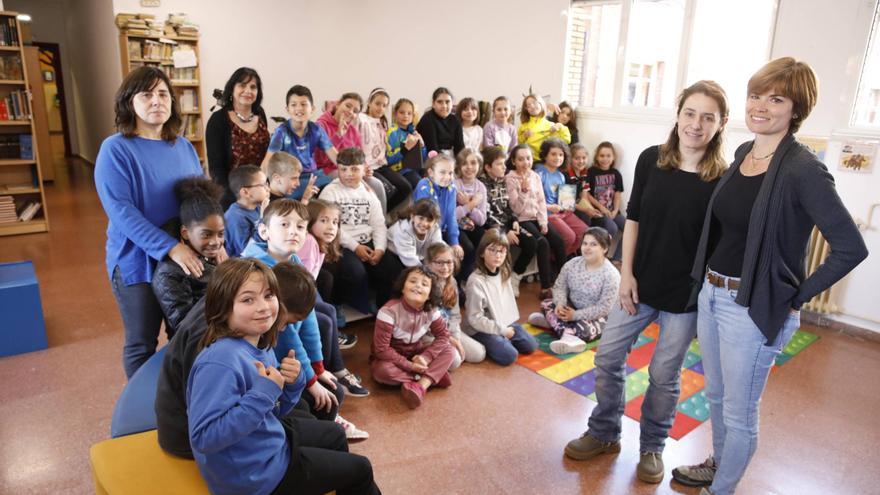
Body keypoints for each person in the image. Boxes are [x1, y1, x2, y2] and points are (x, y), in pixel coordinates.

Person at [673, 58, 868, 495]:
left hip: (752, 308)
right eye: (756, 95)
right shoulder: (744, 153)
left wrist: (795, 297)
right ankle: (717, 466)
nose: (761, 106)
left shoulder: (803, 169)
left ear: (795, 110)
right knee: (718, 399)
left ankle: (720, 489)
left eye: (776, 98)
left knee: (740, 413)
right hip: (713, 294)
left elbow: (851, 247)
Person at [563, 80, 730, 485]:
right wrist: (626, 274)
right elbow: (633, 219)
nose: (696, 124)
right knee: (607, 358)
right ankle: (604, 432)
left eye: (708, 117)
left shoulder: (722, 177)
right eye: (690, 113)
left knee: (663, 375)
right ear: (678, 114)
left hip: (685, 296)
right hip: (638, 283)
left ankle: (652, 445)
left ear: (721, 124)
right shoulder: (651, 159)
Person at [186, 258, 381, 495]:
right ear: (223, 307)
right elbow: (204, 438)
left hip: (266, 443)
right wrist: (262, 394)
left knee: (335, 434)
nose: (263, 307)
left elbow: (275, 410)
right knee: (360, 469)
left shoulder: (261, 341)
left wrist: (293, 384)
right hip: (253, 477)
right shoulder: (220, 362)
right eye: (248, 299)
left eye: (268, 296)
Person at [95, 66, 204, 378]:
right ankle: (141, 419)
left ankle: (180, 402)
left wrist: (214, 243)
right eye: (147, 94)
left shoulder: (183, 146)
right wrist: (170, 247)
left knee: (184, 334)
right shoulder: (115, 149)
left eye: (163, 94)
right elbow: (121, 211)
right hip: (136, 261)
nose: (157, 101)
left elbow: (199, 201)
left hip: (184, 257)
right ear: (130, 102)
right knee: (141, 342)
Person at [318, 148, 400, 311]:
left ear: (364, 169)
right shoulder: (330, 192)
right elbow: (330, 229)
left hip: (368, 241)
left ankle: (383, 309)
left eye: (355, 169)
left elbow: (378, 224)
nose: (348, 174)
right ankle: (349, 303)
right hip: (342, 243)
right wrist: (355, 247)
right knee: (356, 272)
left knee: (393, 269)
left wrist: (380, 249)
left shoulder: (369, 193)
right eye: (343, 169)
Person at [370, 266, 455, 409]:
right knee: (382, 372)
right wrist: (410, 366)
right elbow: (381, 350)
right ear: (403, 287)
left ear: (429, 295)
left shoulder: (431, 311)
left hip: (416, 353)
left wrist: (425, 358)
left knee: (449, 350)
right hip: (391, 357)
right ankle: (431, 378)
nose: (417, 285)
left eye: (424, 284)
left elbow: (443, 335)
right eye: (413, 281)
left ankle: (421, 386)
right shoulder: (388, 311)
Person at [152, 177, 225, 338]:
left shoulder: (213, 257)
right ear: (185, 233)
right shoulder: (170, 273)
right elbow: (185, 327)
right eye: (206, 235)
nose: (216, 242)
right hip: (201, 346)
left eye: (221, 234)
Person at [528, 228, 619, 354]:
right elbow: (560, 286)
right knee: (547, 304)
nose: (587, 248)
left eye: (593, 244)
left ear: (604, 249)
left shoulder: (611, 275)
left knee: (587, 329)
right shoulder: (572, 264)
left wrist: (575, 315)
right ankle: (565, 330)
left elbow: (604, 309)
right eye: (585, 243)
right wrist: (560, 304)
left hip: (597, 317)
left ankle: (560, 328)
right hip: (572, 308)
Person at [480, 146, 554, 296]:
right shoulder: (483, 185)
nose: (504, 167)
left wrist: (513, 220)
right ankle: (502, 282)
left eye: (504, 163)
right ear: (488, 167)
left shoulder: (501, 181)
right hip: (494, 227)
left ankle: (516, 276)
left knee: (532, 243)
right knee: (533, 243)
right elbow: (487, 214)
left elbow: (508, 207)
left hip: (509, 224)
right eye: (500, 164)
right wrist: (505, 232)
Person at [462, 229, 538, 365]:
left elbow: (504, 302)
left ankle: (501, 340)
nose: (498, 256)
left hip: (502, 321)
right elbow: (475, 318)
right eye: (492, 250)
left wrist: (505, 327)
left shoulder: (504, 271)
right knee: (509, 355)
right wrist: (501, 330)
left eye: (502, 251)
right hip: (480, 327)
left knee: (531, 345)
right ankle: (488, 342)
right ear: (481, 253)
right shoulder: (475, 281)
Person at [206, 67, 270, 208]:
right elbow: (216, 169)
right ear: (232, 88)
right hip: (233, 195)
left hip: (262, 191)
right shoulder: (218, 120)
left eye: (253, 87)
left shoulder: (260, 113)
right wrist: (236, 199)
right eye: (242, 85)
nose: (248, 91)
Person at [506, 144, 564, 298]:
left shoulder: (535, 176)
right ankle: (545, 288)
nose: (525, 162)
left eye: (528, 158)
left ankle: (563, 282)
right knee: (542, 243)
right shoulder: (510, 178)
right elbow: (516, 209)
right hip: (521, 220)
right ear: (513, 161)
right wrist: (524, 190)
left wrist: (543, 222)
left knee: (558, 241)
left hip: (537, 218)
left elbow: (541, 201)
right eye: (520, 159)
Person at [315, 92, 389, 213]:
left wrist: (365, 167)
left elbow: (359, 155)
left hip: (353, 170)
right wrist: (338, 135)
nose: (350, 112)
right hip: (328, 170)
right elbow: (321, 159)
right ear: (338, 104)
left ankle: (381, 224)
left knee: (377, 185)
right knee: (366, 190)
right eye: (348, 106)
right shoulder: (320, 125)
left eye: (355, 111)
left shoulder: (353, 130)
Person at [263, 85, 336, 199]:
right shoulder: (281, 132)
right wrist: (262, 186)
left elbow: (335, 156)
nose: (299, 108)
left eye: (303, 104)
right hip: (291, 178)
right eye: (294, 105)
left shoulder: (316, 129)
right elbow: (267, 162)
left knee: (333, 191)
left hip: (314, 176)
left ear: (312, 108)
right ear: (287, 109)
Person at [424, 242, 486, 367]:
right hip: (428, 335)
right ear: (429, 264)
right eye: (439, 262)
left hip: (448, 330)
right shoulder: (425, 284)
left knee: (479, 354)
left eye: (449, 262)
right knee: (455, 361)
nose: (445, 267)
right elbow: (426, 325)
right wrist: (449, 340)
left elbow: (455, 315)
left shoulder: (452, 282)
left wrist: (456, 337)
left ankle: (447, 351)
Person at [359, 88, 413, 211]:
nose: (381, 108)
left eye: (384, 105)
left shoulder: (382, 123)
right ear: (369, 102)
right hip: (368, 167)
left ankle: (383, 214)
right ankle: (378, 217)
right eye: (378, 104)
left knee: (406, 187)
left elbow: (385, 152)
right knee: (387, 190)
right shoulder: (361, 118)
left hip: (381, 165)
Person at [413, 153, 468, 271]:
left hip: (441, 229)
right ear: (431, 173)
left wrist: (454, 242)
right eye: (442, 172)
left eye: (450, 173)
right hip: (426, 232)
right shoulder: (424, 186)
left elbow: (451, 215)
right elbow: (425, 218)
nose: (447, 177)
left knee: (464, 249)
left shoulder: (452, 187)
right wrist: (444, 245)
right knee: (445, 257)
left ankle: (455, 285)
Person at [536, 138, 589, 258]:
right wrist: (551, 207)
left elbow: (566, 201)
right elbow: (533, 199)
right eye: (553, 154)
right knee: (570, 237)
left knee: (584, 233)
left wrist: (570, 205)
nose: (558, 158)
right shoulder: (539, 173)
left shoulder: (561, 175)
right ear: (545, 155)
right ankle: (553, 259)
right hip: (548, 214)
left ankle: (560, 258)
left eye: (561, 155)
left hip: (562, 212)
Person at [585, 141, 626, 260]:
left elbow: (617, 194)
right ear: (597, 157)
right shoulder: (591, 172)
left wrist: (616, 210)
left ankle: (616, 258)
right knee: (612, 227)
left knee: (631, 229)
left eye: (608, 156)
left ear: (613, 158)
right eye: (602, 156)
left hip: (612, 211)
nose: (605, 159)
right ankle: (601, 257)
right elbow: (587, 195)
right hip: (598, 212)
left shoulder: (616, 173)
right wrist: (602, 208)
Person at [454, 148, 488, 281]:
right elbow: (452, 216)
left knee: (485, 242)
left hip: (473, 225)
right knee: (468, 247)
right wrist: (471, 204)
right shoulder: (454, 185)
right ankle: (462, 280)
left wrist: (468, 204)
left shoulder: (481, 187)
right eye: (464, 163)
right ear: (459, 166)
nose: (469, 167)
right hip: (456, 226)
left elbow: (481, 220)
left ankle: (477, 278)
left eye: (473, 163)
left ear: (479, 165)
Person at [224, 165, 269, 257]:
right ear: (245, 192)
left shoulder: (258, 207)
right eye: (263, 185)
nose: (268, 188)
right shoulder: (235, 217)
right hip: (244, 267)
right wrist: (264, 219)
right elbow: (248, 252)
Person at [387, 198, 443, 268]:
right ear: (412, 216)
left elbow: (437, 249)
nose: (424, 224)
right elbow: (410, 261)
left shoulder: (435, 228)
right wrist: (429, 273)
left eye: (429, 220)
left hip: (415, 255)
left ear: (435, 222)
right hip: (394, 255)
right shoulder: (403, 230)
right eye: (421, 218)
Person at [386, 97, 426, 189]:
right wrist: (406, 148)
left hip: (416, 169)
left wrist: (422, 145)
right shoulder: (391, 132)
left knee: (433, 181)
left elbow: (423, 159)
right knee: (420, 185)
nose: (406, 116)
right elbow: (389, 160)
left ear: (413, 116)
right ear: (395, 114)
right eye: (402, 112)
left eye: (409, 113)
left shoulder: (414, 132)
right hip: (400, 171)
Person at [517, 93, 570, 159]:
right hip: (526, 160)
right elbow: (516, 143)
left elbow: (566, 140)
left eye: (534, 102)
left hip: (544, 162)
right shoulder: (523, 126)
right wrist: (524, 136)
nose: (532, 106)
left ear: (541, 104)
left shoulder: (550, 125)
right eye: (528, 105)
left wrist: (560, 126)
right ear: (526, 109)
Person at [417, 87, 465, 156]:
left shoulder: (455, 120)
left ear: (452, 103)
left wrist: (461, 163)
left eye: (447, 102)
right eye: (440, 102)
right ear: (433, 104)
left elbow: (460, 148)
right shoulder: (427, 120)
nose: (444, 106)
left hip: (449, 158)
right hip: (431, 158)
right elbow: (432, 150)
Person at [566, 143, 603, 226]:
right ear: (570, 159)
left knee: (601, 219)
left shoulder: (585, 173)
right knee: (586, 219)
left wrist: (591, 209)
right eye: (577, 158)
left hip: (578, 204)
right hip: (568, 207)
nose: (581, 161)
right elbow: (567, 203)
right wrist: (586, 210)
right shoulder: (567, 175)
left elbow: (584, 196)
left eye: (584, 158)